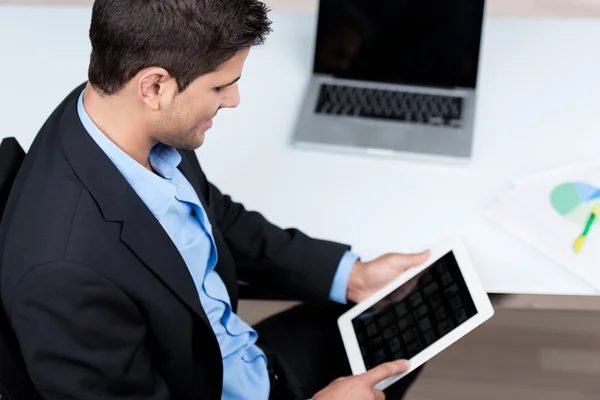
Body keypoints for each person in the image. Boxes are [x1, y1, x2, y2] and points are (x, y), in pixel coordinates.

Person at [0, 1, 429, 399]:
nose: (233, 100)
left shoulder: (114, 111)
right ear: (154, 87)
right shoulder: (65, 279)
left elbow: (212, 213)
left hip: (238, 358)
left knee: (412, 321)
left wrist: (351, 276)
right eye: (222, 86)